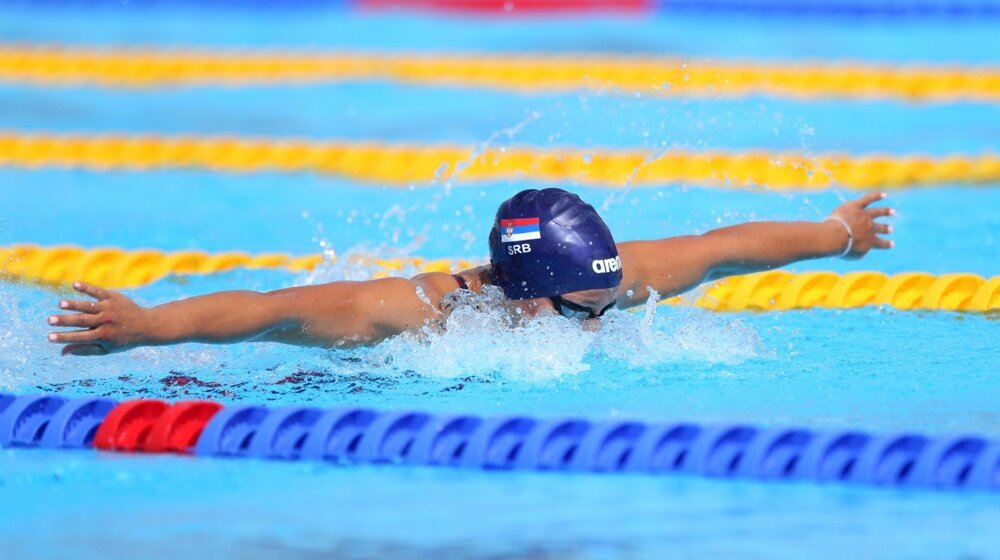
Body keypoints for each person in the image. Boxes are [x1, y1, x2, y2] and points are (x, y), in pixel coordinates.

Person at [48, 188, 893, 356]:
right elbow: (273, 309)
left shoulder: (609, 279)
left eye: (608, 302)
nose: (602, 321)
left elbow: (726, 246)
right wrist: (152, 326)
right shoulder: (413, 315)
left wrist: (837, 234)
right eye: (581, 312)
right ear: (526, 294)